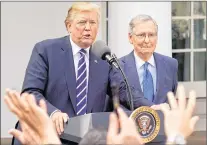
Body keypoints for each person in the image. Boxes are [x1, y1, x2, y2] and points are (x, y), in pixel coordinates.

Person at [13, 2, 128, 144]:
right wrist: (53, 113)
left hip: (85, 139)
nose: (88, 28)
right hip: (47, 135)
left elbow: (124, 92)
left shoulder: (103, 57)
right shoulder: (46, 50)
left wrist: (152, 106)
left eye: (93, 22)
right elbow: (30, 93)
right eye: (82, 22)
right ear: (68, 26)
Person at [4, 84, 199, 145]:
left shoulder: (103, 59)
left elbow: (122, 89)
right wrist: (177, 136)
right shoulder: (46, 50)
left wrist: (46, 139)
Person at [119, 14, 178, 110]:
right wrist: (152, 107)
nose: (147, 40)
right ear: (130, 38)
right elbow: (123, 96)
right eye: (141, 35)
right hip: (130, 123)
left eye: (151, 35)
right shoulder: (118, 66)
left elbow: (171, 101)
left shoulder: (171, 65)